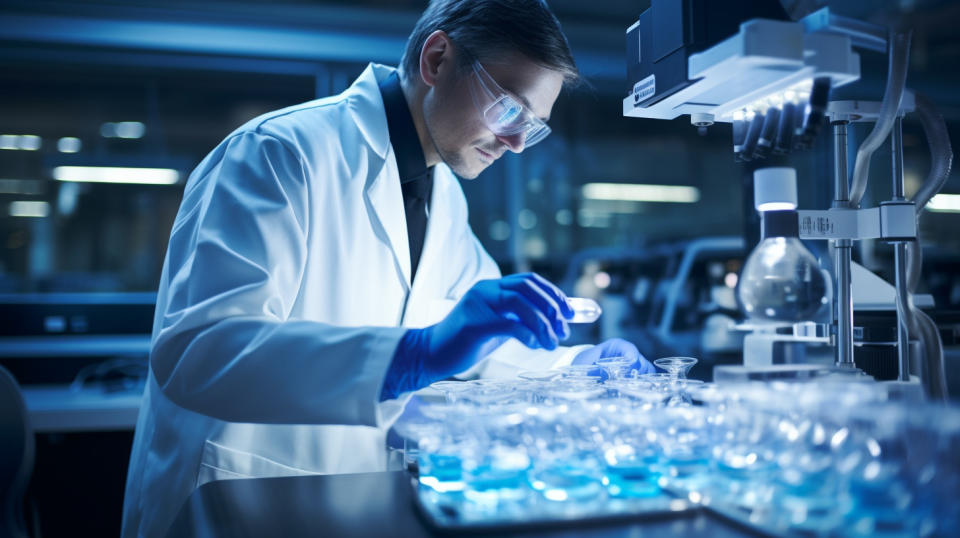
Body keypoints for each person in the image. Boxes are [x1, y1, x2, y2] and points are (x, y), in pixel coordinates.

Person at [121, 1, 653, 536]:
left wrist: (580, 366)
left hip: (348, 505)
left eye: (532, 127)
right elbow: (198, 352)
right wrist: (412, 357)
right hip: (230, 503)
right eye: (510, 109)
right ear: (438, 59)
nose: (516, 144)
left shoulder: (442, 197)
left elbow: (486, 339)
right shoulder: (279, 154)